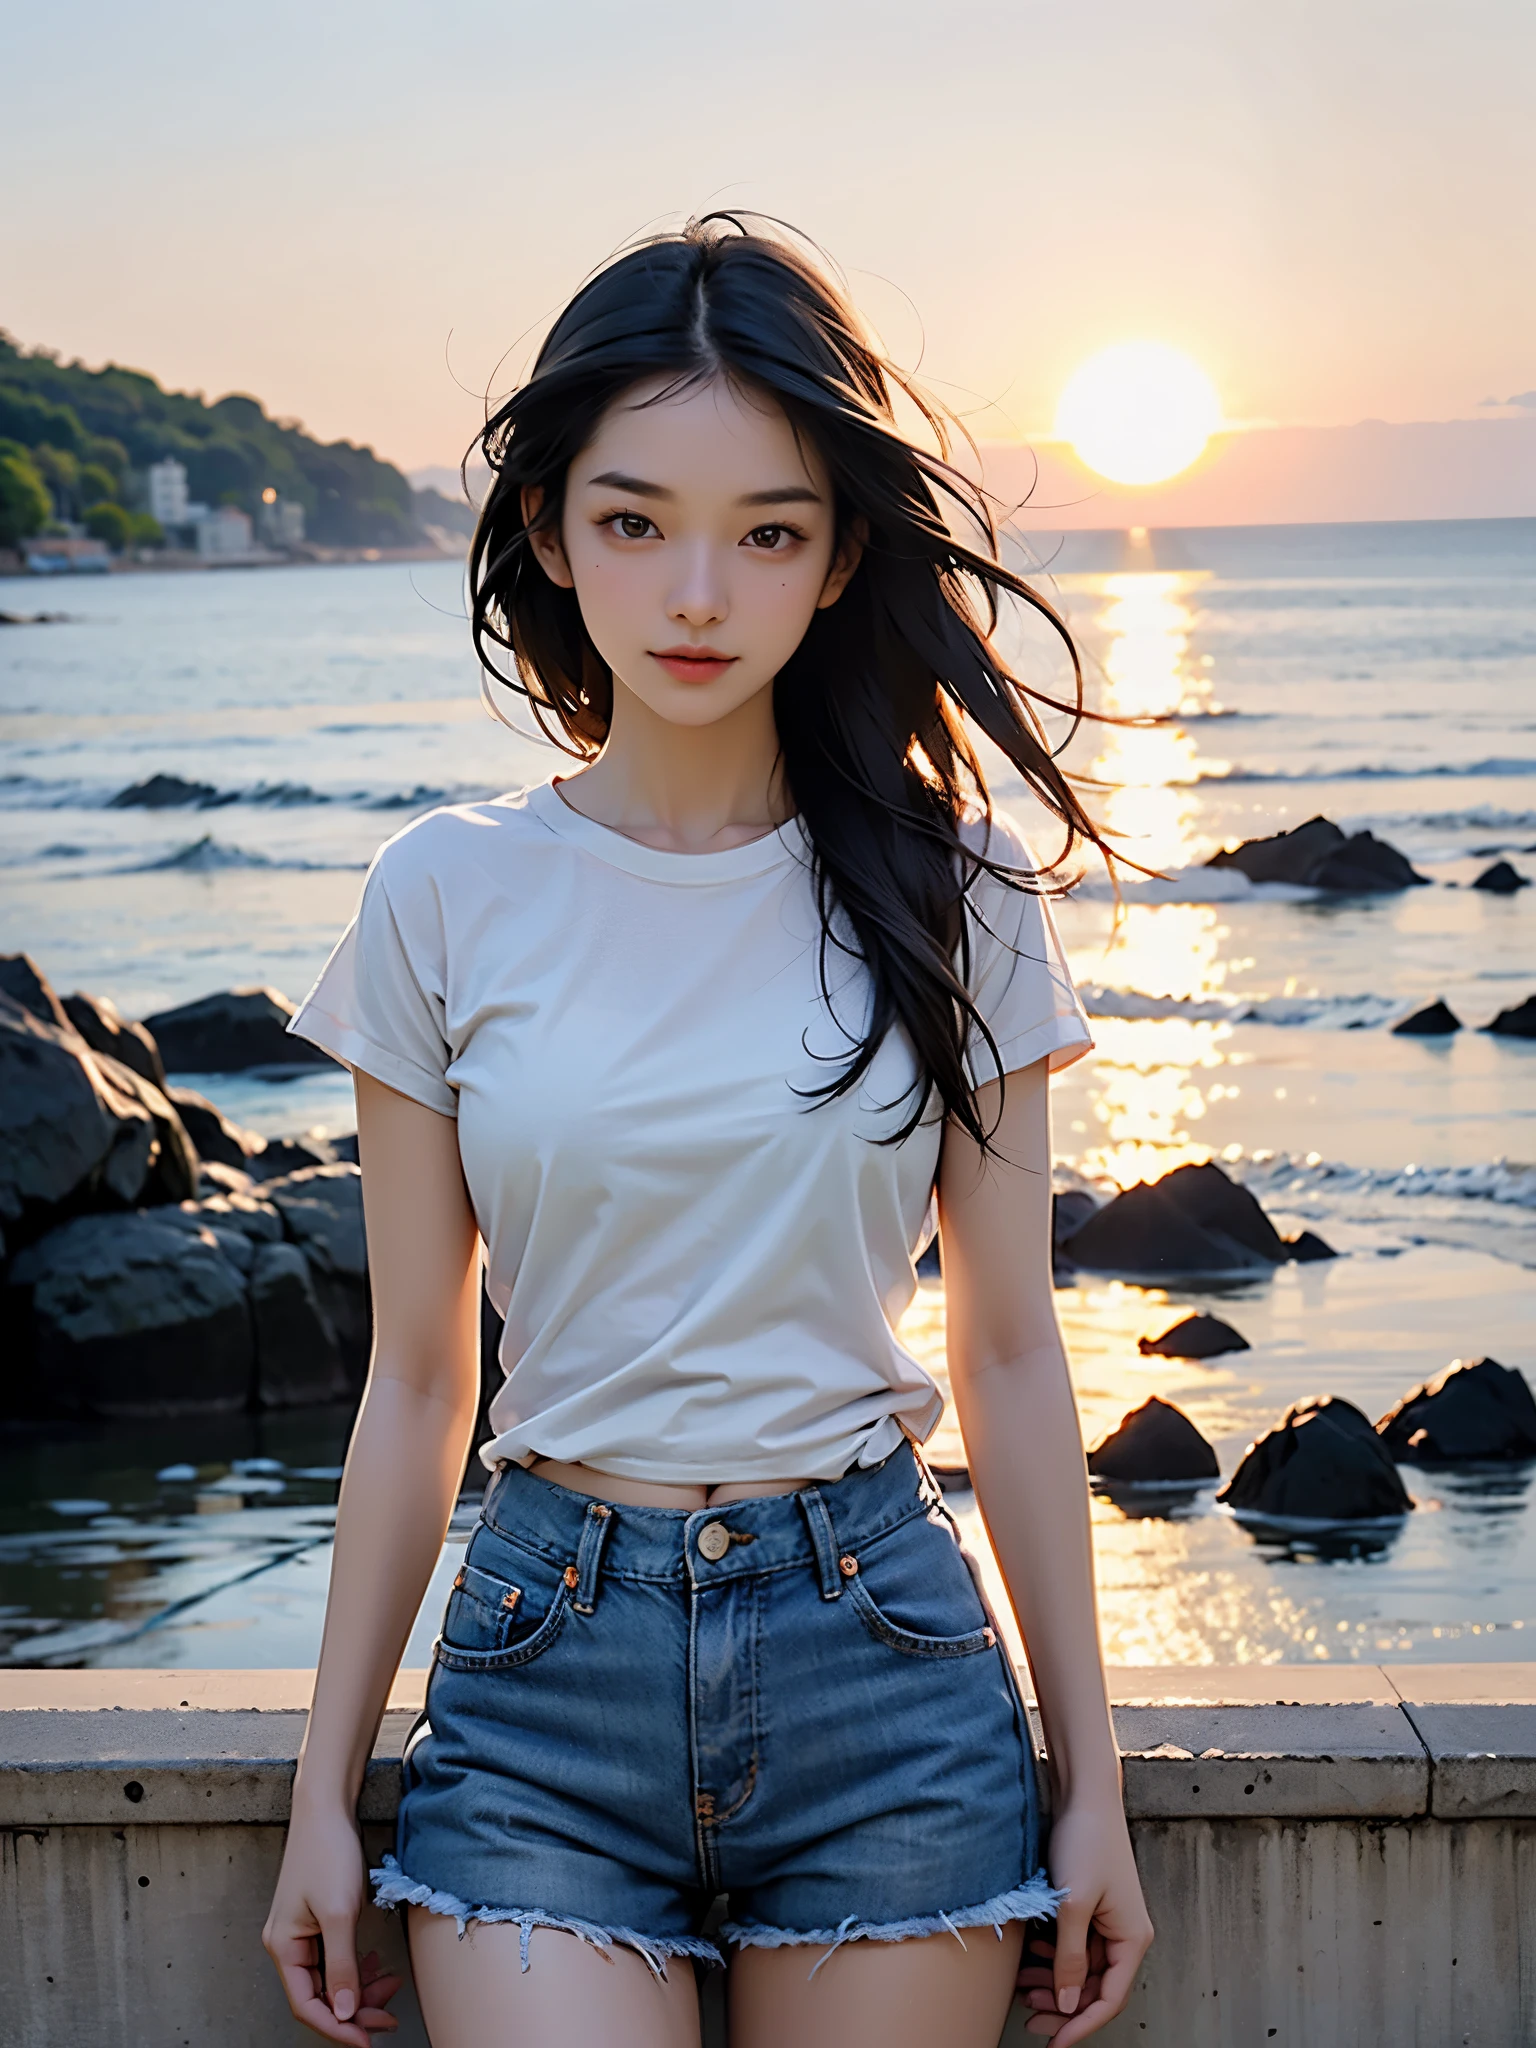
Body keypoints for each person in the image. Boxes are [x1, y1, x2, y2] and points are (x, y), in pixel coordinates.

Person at [263, 214, 1153, 2048]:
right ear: (547, 533)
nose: (695, 593)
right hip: (539, 1675)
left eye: (769, 533)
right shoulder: (441, 893)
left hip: (885, 1663)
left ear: (837, 567)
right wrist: (315, 1792)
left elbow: (1005, 1347)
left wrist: (1095, 1780)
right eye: (635, 520)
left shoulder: (958, 893)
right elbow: (421, 1384)